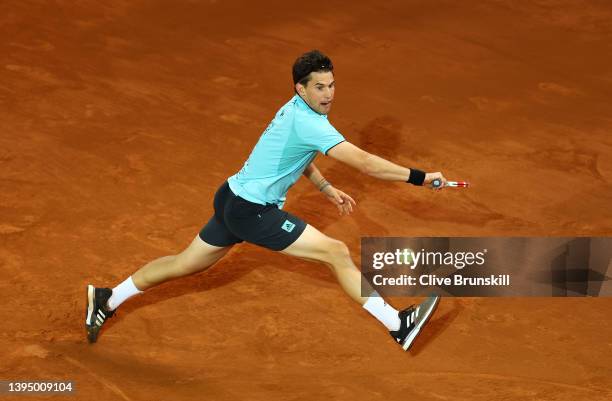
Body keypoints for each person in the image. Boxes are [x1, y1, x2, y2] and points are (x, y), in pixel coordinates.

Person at [86, 49, 447, 351]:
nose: (329, 93)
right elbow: (366, 163)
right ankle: (398, 324)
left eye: (332, 84)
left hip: (230, 198)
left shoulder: (295, 109)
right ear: (300, 88)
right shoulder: (313, 124)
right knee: (335, 252)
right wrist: (421, 177)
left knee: (183, 264)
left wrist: (324, 187)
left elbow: (294, 156)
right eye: (319, 86)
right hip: (252, 212)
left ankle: (107, 298)